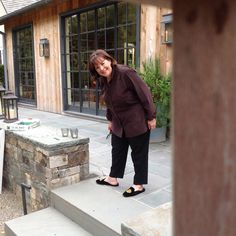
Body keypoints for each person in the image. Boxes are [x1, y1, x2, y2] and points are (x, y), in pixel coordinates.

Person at [89, 49, 156, 197]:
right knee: (117, 150)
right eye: (97, 67)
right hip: (119, 122)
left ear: (109, 59)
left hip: (136, 120)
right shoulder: (104, 79)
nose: (101, 68)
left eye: (102, 63)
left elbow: (145, 93)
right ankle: (112, 178)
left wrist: (151, 116)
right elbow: (109, 101)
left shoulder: (126, 73)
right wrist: (110, 120)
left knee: (138, 154)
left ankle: (138, 185)